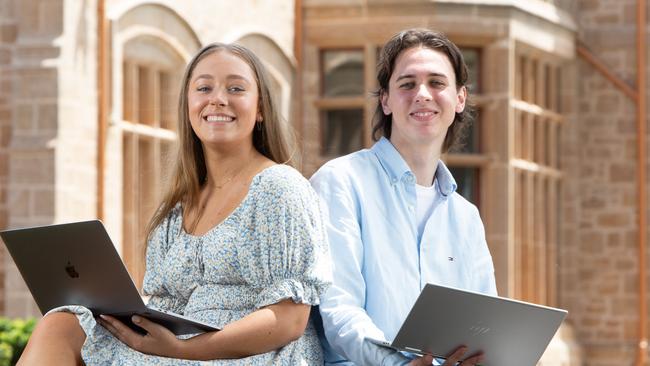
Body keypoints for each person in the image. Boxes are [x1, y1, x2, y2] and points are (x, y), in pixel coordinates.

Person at [18, 42, 332, 365]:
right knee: (61, 323)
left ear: (261, 108)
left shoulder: (279, 189)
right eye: (204, 87)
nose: (218, 98)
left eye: (236, 88)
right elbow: (166, 306)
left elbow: (290, 320)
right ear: (188, 106)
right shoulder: (178, 209)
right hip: (178, 351)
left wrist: (185, 350)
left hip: (251, 355)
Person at [310, 28, 497, 366]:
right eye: (407, 84)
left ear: (460, 99)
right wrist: (399, 364)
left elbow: (485, 325)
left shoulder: (466, 217)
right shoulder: (340, 183)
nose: (422, 94)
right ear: (386, 100)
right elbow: (338, 310)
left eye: (437, 83)